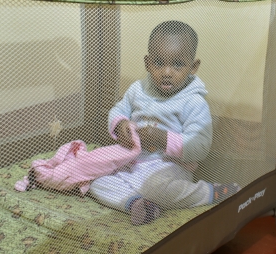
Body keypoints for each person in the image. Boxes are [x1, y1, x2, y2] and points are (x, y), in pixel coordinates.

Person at [89, 20, 239, 225]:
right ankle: (139, 205)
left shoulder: (194, 101)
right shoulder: (137, 90)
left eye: (177, 64)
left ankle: (211, 192)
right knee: (95, 181)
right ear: (148, 63)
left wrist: (162, 138)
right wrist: (120, 123)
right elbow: (118, 110)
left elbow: (200, 146)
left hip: (169, 169)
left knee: (158, 190)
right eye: (159, 63)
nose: (167, 72)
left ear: (193, 67)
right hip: (132, 163)